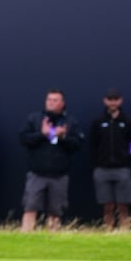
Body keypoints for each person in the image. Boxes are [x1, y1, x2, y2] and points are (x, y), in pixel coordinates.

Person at [19, 89, 83, 232]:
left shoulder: (69, 121)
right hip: (37, 173)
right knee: (30, 207)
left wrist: (63, 137)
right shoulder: (35, 119)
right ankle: (25, 235)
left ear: (62, 103)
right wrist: (42, 134)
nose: (51, 103)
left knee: (55, 211)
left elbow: (77, 144)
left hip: (59, 175)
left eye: (55, 100)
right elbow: (23, 139)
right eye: (49, 100)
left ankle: (52, 237)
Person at [89, 88, 131, 230]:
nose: (113, 103)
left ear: (120, 101)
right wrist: (95, 165)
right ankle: (108, 230)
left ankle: (125, 231)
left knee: (123, 204)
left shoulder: (128, 121)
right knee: (107, 205)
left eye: (115, 99)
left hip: (122, 168)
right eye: (110, 99)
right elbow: (93, 145)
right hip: (102, 169)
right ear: (105, 101)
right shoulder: (98, 122)